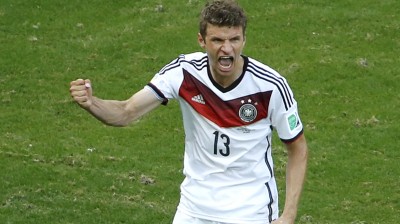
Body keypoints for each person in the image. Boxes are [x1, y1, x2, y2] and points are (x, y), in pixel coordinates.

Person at [69, 0, 308, 223]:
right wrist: (92, 103)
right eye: (217, 40)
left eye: (234, 39)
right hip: (195, 210)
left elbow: (297, 148)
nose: (227, 49)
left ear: (244, 40)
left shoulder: (270, 86)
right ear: (201, 40)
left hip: (250, 211)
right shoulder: (184, 73)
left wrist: (288, 215)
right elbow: (126, 112)